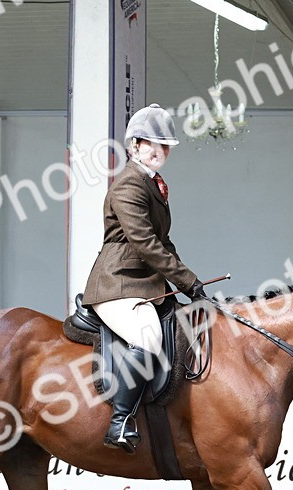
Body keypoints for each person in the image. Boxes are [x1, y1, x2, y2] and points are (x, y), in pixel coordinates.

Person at [82, 104, 206, 453]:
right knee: (148, 337)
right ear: (134, 145)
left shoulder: (153, 185)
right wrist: (186, 280)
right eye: (151, 144)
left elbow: (164, 242)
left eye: (164, 146)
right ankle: (120, 422)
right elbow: (145, 243)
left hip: (145, 284)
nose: (159, 152)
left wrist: (190, 284)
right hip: (118, 283)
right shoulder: (128, 185)